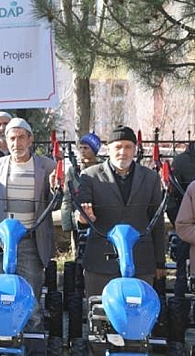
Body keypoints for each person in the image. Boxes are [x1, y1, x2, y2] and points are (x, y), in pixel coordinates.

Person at [0, 117, 56, 356]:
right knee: (0, 301)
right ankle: (0, 355)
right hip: (1, 246)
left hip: (31, 244)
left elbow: (59, 203)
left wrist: (58, 189)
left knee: (30, 302)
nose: (16, 142)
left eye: (21, 137)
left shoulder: (47, 166)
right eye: (11, 138)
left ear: (30, 139)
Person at [76, 126, 165, 298]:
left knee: (138, 313)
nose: (123, 152)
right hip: (101, 260)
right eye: (118, 147)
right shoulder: (90, 176)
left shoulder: (150, 177)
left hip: (140, 259)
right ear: (108, 149)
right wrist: (85, 219)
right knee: (100, 314)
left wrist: (159, 261)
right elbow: (81, 213)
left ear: (135, 149)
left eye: (128, 147)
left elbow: (157, 220)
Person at [61, 132, 101, 258]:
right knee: (79, 253)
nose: (82, 151)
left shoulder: (102, 169)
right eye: (81, 148)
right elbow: (67, 197)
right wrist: (67, 223)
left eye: (86, 148)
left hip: (99, 217)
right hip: (78, 219)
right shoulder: (73, 171)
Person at [167, 139, 195, 299]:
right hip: (187, 227)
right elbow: (171, 201)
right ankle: (180, 319)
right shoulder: (182, 161)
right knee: (182, 279)